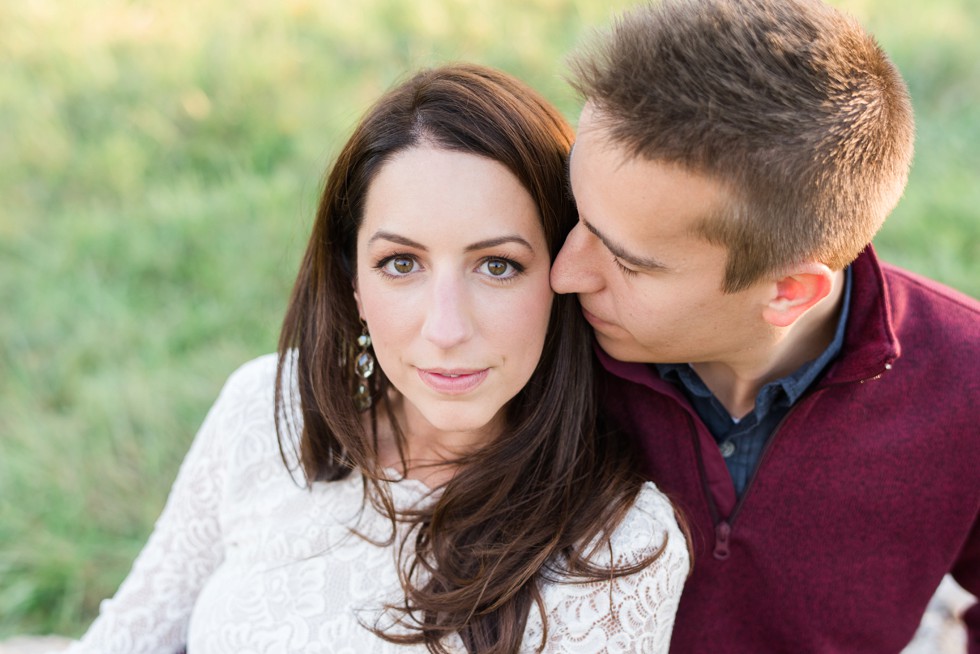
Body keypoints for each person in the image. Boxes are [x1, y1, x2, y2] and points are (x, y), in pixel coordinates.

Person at [57, 64, 689, 654]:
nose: (445, 329)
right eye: (401, 264)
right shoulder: (266, 409)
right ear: (354, 282)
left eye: (497, 265)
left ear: (560, 271)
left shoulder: (620, 547)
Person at [550, 0, 980, 652]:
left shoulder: (968, 385)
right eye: (577, 210)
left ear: (790, 292)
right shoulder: (538, 341)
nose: (562, 273)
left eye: (626, 261)